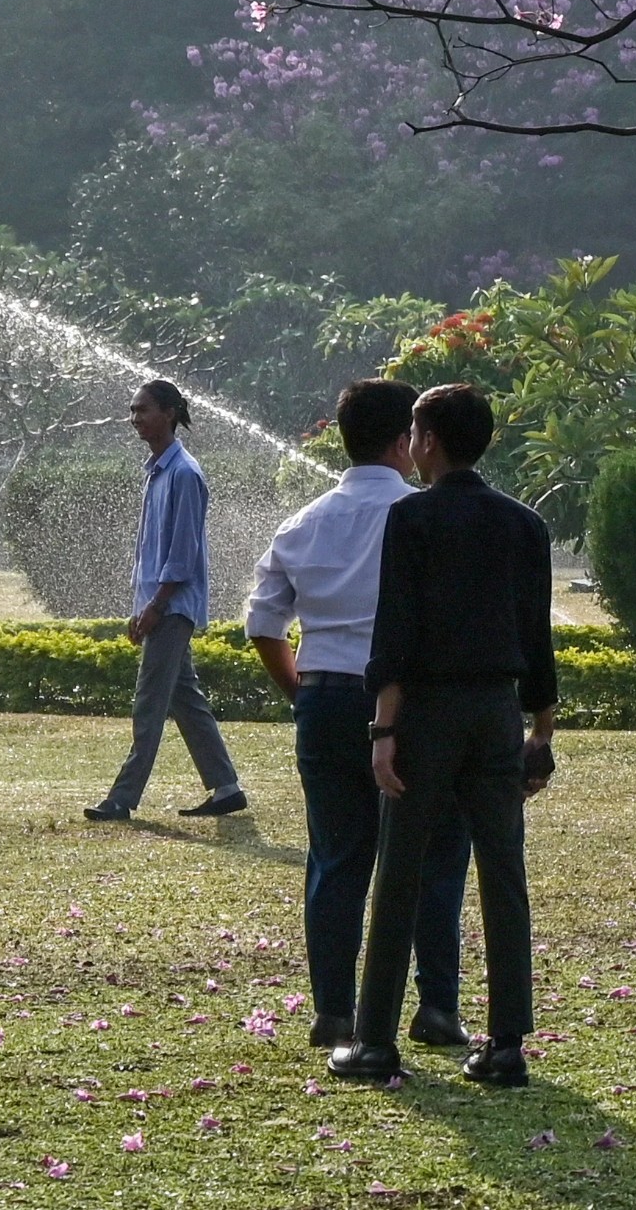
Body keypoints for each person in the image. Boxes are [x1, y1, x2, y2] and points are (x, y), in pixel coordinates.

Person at [329, 385, 555, 1088]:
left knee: (399, 869)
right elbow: (536, 637)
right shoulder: (524, 524)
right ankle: (507, 1043)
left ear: (427, 438)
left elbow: (395, 633)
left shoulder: (413, 517)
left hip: (427, 709)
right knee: (503, 872)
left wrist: (383, 728)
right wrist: (540, 732)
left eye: (417, 430)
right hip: (496, 711)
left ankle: (374, 1042)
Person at [243, 378, 474, 1053]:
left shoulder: (303, 521)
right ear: (406, 439)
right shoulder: (425, 515)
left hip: (325, 690)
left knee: (337, 855)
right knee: (432, 852)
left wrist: (301, 689)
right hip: (413, 701)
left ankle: (334, 1010)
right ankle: (436, 1004)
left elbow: (262, 622)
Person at [86, 379, 247, 823]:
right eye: (132, 411)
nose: (135, 418)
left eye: (143, 410)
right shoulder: (158, 470)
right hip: (159, 603)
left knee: (149, 702)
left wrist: (155, 606)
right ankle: (227, 787)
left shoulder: (184, 473)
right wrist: (143, 604)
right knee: (185, 700)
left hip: (172, 607)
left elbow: (182, 555)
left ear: (170, 413)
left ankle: (122, 798)